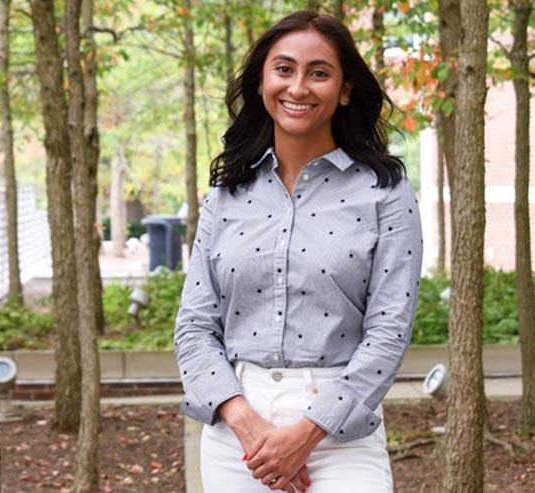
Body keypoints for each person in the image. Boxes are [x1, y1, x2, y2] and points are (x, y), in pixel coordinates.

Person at [173, 10, 423, 493]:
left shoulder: (385, 193)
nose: (298, 87)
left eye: (320, 72)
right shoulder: (226, 196)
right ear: (262, 81)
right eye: (284, 69)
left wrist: (307, 435)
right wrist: (246, 421)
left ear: (345, 90)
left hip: (341, 433)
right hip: (236, 433)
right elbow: (194, 326)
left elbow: (389, 330)